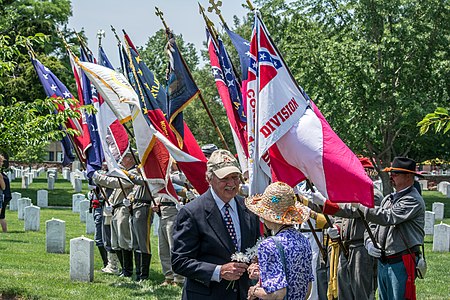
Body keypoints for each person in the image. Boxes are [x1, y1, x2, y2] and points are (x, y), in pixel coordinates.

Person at [171, 149, 261, 300]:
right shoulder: (192, 212)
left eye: (235, 177)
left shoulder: (248, 209)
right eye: (225, 178)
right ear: (209, 178)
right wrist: (218, 271)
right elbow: (180, 261)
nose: (232, 184)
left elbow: (255, 246)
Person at [311, 156, 383, 300]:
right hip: (344, 247)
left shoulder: (373, 195)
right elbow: (339, 216)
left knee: (361, 291)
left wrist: (326, 203)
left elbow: (350, 211)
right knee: (344, 291)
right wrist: (336, 227)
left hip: (361, 248)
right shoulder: (351, 193)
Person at [360, 157, 425, 300]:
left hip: (401, 261)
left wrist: (360, 206)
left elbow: (388, 217)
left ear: (408, 176)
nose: (391, 177)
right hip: (384, 260)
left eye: (395, 173)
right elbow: (371, 226)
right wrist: (369, 242)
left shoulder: (413, 199)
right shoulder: (388, 199)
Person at [245, 182, 314, 300]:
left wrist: (254, 291)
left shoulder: (268, 245)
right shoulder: (303, 241)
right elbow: (308, 288)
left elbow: (277, 294)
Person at [93, 152, 135, 278]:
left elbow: (117, 184)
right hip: (115, 209)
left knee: (124, 240)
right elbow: (115, 190)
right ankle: (122, 269)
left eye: (124, 157)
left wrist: (97, 176)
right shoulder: (122, 173)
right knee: (115, 241)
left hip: (123, 208)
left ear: (130, 159)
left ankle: (128, 270)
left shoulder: (133, 173)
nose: (121, 160)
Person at [125, 167, 154, 281]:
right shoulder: (140, 177)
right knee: (135, 242)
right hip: (135, 208)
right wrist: (129, 198)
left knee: (143, 242)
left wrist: (125, 173)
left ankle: (144, 275)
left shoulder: (149, 175)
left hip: (143, 208)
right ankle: (138, 273)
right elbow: (134, 191)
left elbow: (139, 181)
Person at [87, 184, 108, 269]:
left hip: (104, 207)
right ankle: (106, 263)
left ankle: (111, 264)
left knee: (106, 238)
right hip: (97, 207)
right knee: (99, 238)